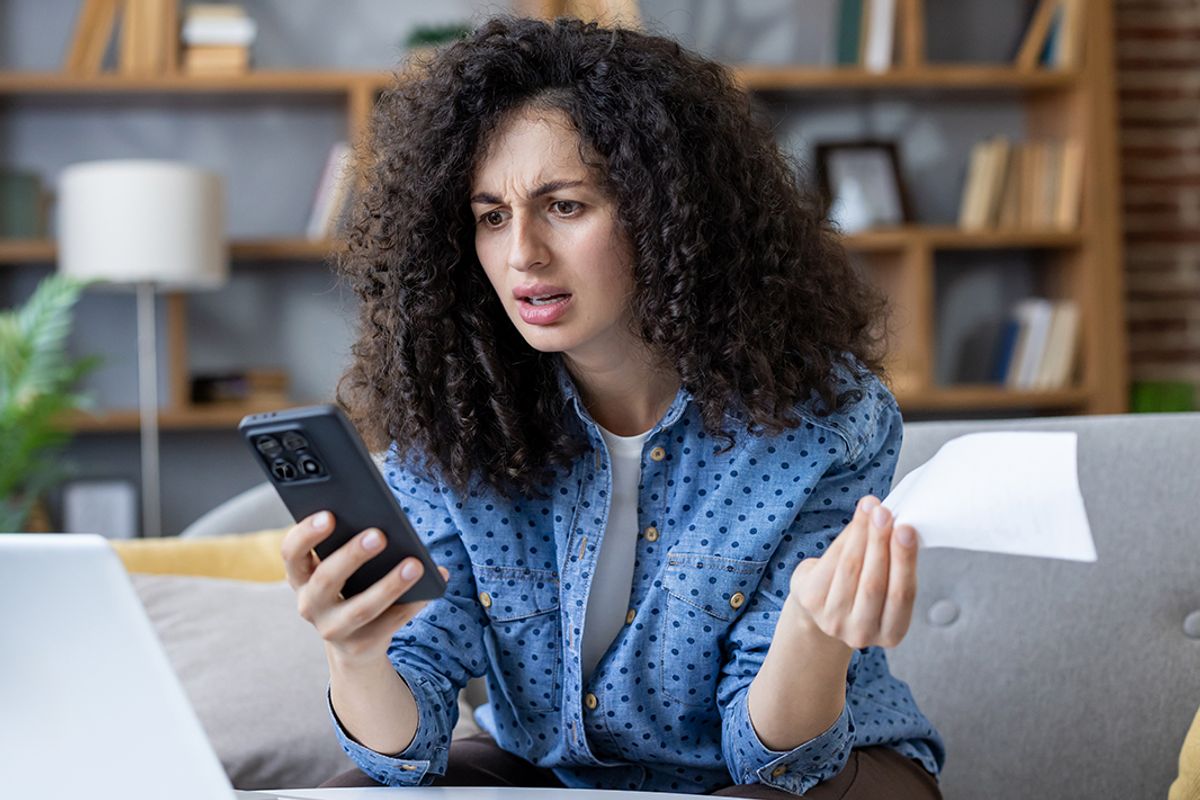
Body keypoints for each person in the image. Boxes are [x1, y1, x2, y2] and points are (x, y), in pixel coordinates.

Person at [280, 15, 945, 798]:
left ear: (668, 211)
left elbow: (779, 763)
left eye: (564, 206)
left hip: (819, 774)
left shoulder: (822, 422)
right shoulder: (455, 426)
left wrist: (810, 631)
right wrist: (356, 655)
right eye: (492, 216)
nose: (522, 253)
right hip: (561, 773)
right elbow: (408, 747)